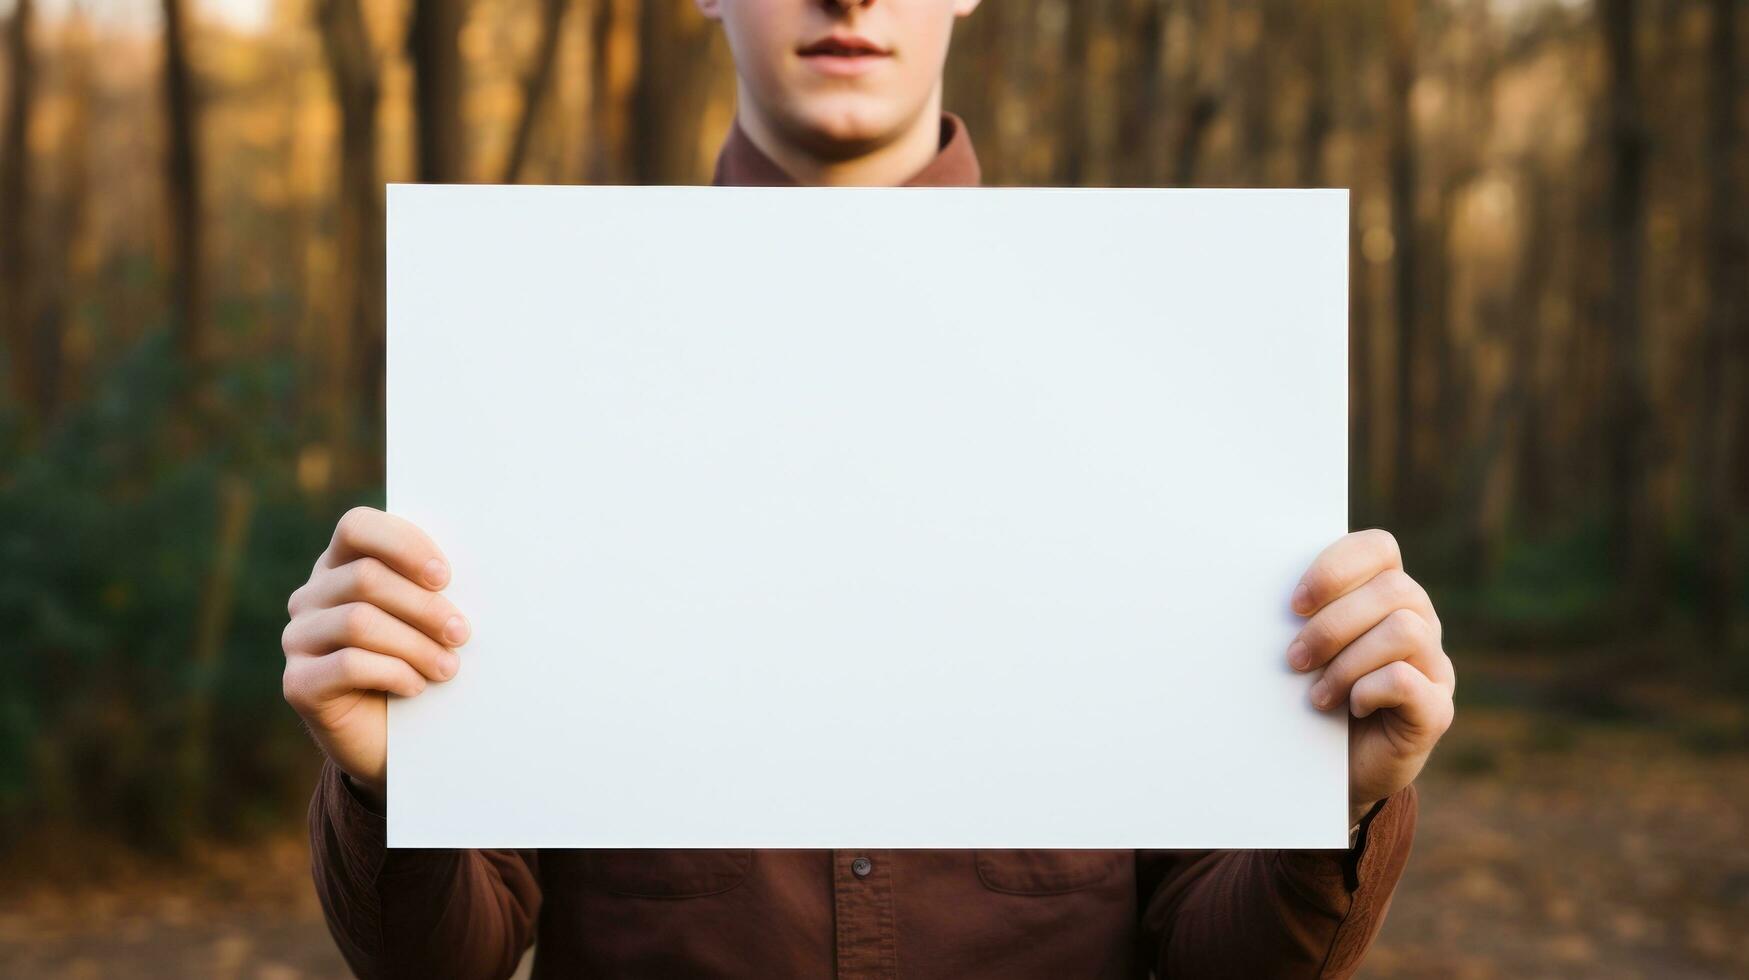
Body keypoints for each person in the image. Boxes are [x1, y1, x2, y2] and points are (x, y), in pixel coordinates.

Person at [281, 1, 1457, 976]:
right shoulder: (546, 359)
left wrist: (1333, 801)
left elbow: (1224, 956)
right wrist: (392, 780)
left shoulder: (1156, 359)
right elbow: (454, 955)